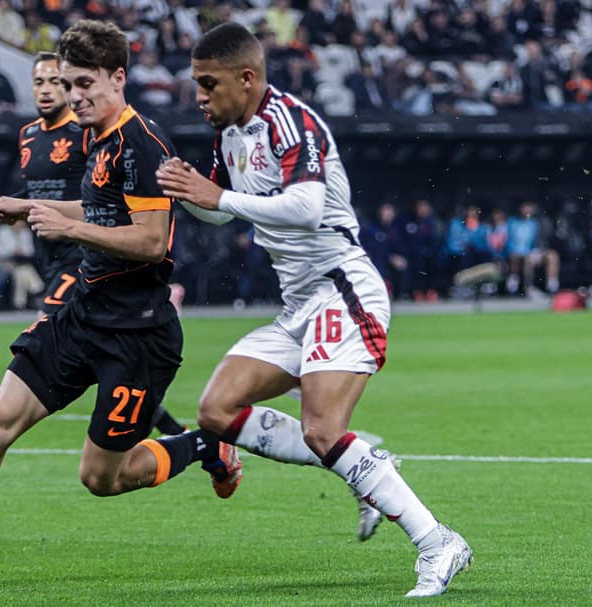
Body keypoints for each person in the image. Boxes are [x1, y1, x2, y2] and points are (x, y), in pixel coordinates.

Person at [0, 20, 229, 581]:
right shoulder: (96, 136)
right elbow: (101, 211)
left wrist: (70, 232)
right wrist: (24, 206)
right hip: (82, 314)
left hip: (136, 335)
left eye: (85, 83)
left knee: (102, 478)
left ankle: (207, 446)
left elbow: (150, 239)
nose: (75, 96)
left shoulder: (143, 143)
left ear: (118, 77)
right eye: (68, 84)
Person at [155, 23, 472, 597]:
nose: (199, 96)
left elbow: (304, 207)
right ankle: (365, 461)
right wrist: (186, 193)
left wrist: (216, 196)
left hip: (344, 289)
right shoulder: (230, 133)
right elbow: (225, 213)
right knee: (218, 410)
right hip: (301, 302)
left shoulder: (290, 121)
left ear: (246, 77)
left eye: (208, 83)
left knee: (323, 428)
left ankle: (437, 541)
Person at [0, 51, 187, 435]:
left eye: (57, 82)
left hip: (86, 256)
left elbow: (99, 200)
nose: (47, 90)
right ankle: (175, 431)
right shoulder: (28, 136)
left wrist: (73, 226)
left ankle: (8, 417)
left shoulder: (90, 130)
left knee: (48, 331)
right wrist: (6, 205)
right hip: (51, 253)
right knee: (100, 360)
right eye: (38, 82)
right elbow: (37, 190)